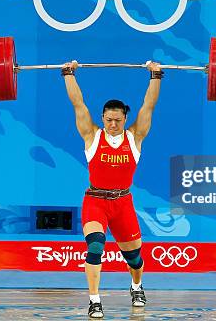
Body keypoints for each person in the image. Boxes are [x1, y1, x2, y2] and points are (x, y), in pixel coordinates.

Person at [62, 60, 163, 318]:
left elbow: (149, 105)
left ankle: (136, 285)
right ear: (102, 118)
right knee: (95, 247)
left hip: (123, 203)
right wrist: (68, 73)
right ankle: (95, 301)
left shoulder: (135, 136)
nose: (113, 124)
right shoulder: (92, 135)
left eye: (118, 120)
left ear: (125, 118)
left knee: (135, 259)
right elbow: (77, 103)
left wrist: (156, 75)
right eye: (109, 120)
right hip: (95, 202)